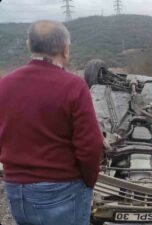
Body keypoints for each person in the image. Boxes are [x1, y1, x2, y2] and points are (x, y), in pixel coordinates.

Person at [0, 20, 103, 225]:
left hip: (15, 189)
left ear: (30, 46)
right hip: (61, 190)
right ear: (65, 50)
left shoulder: (4, 84)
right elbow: (91, 146)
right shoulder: (74, 86)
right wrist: (88, 181)